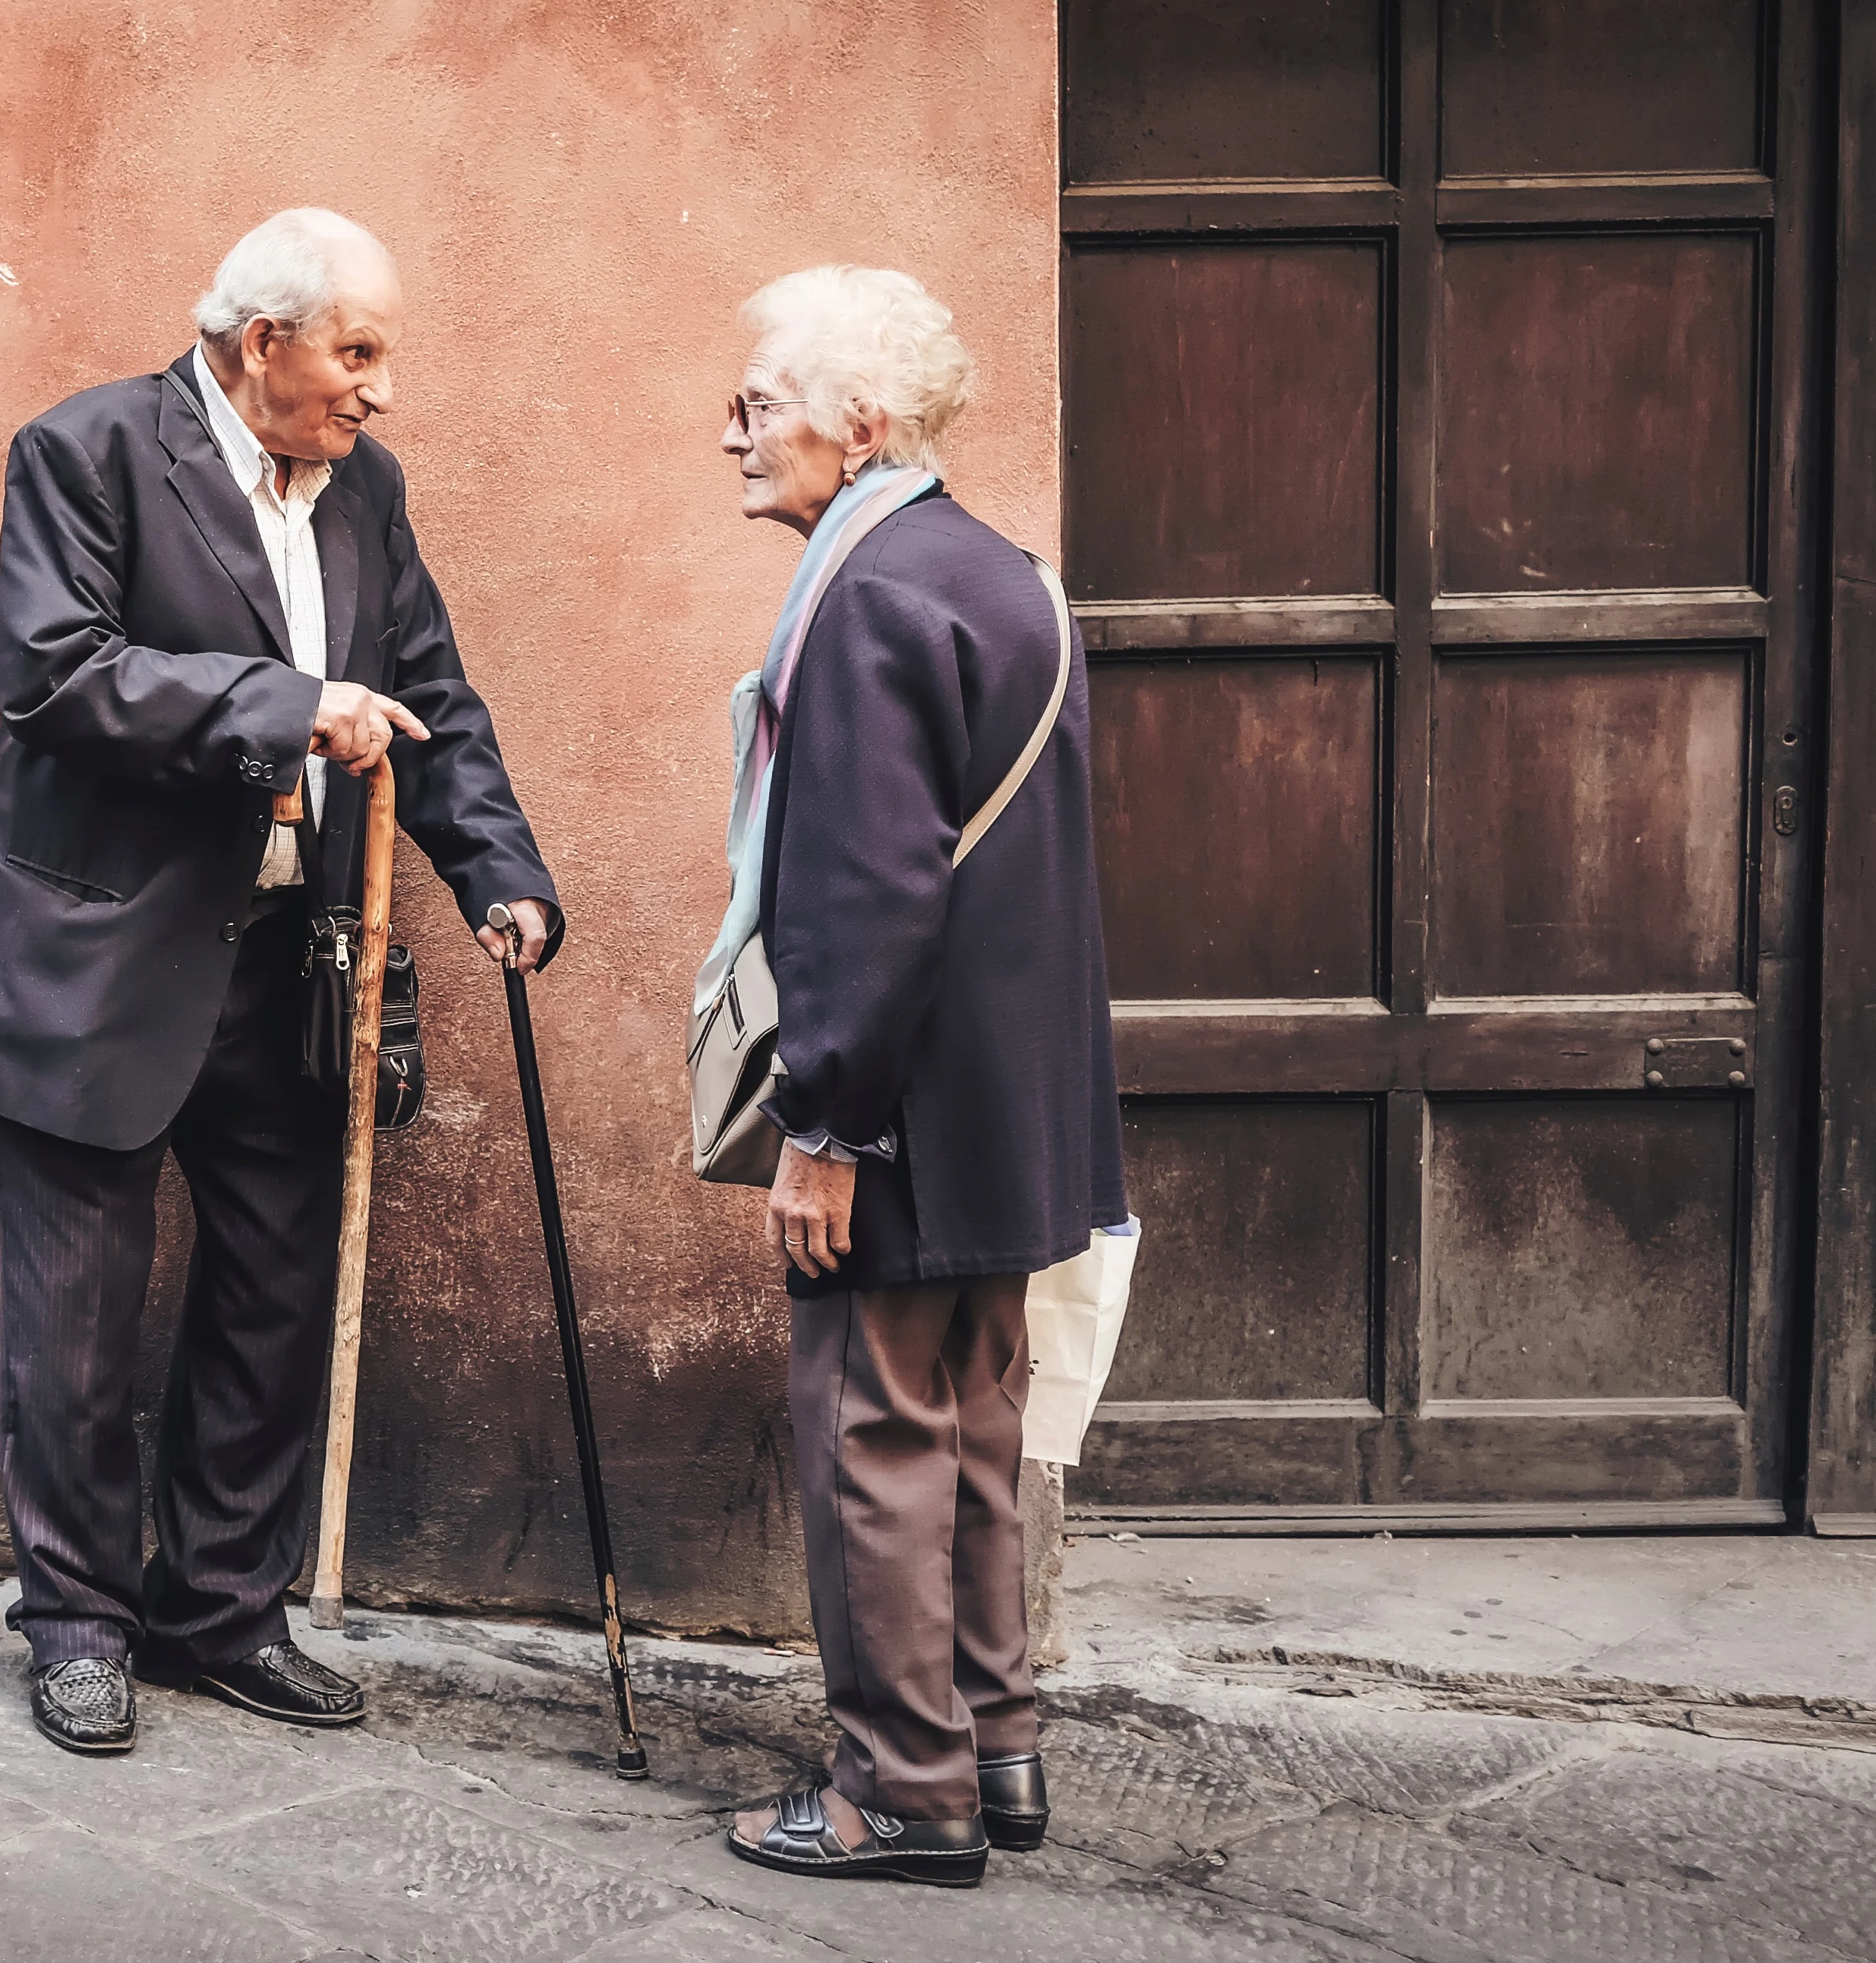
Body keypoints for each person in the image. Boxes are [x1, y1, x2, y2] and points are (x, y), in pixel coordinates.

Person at [0, 208, 563, 1755]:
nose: (380, 388)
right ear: (260, 339)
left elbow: (430, 698)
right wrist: (289, 704)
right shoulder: (84, 452)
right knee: (74, 1324)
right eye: (358, 349)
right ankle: (78, 1621)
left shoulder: (369, 492)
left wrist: (502, 873)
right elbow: (61, 676)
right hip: (93, 960)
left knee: (273, 1302)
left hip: (287, 963)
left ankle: (219, 1607)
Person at [706, 267, 1125, 1886]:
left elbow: (868, 889)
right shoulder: (1006, 572)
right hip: (1006, 1114)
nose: (732, 430)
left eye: (760, 402)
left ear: (860, 424)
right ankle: (997, 1743)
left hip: (901, 1115)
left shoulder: (868, 591)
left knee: (874, 1432)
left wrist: (827, 1124)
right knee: (970, 1428)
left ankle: (900, 1787)